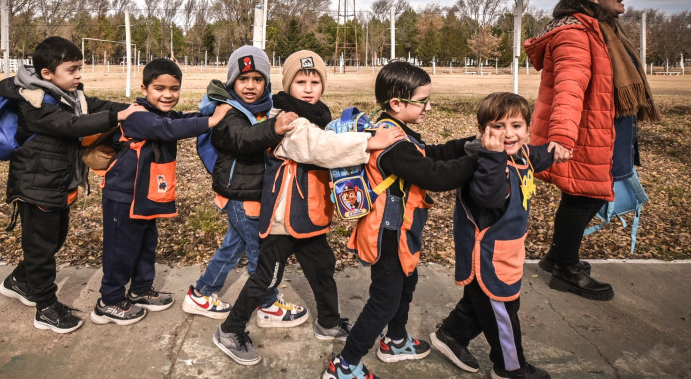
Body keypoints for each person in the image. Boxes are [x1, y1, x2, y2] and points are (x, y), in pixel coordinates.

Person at [213, 50, 405, 366]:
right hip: (284, 217)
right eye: (300, 81)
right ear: (288, 85)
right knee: (267, 277)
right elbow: (319, 148)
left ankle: (328, 322)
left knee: (322, 268)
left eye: (315, 81)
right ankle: (230, 330)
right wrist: (368, 143)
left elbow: (329, 136)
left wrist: (365, 130)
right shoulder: (287, 119)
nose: (308, 87)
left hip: (311, 213)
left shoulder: (318, 116)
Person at [323, 61, 480, 379]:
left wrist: (466, 145)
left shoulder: (398, 132)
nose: (429, 107)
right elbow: (433, 175)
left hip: (400, 231)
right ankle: (345, 365)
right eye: (423, 101)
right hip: (388, 235)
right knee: (384, 299)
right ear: (397, 103)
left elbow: (428, 153)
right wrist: (479, 159)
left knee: (407, 284)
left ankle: (395, 341)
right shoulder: (391, 142)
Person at [524, 0, 659, 301]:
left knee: (586, 195)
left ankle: (558, 257)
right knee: (585, 196)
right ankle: (565, 269)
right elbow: (569, 88)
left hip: (606, 125)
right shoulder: (575, 33)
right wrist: (563, 139)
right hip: (584, 130)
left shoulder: (601, 30)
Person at [0, 36, 144, 333]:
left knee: (53, 240)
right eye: (73, 69)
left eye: (80, 68)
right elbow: (71, 126)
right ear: (47, 74)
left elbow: (96, 106)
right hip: (36, 185)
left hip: (57, 182)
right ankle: (45, 308)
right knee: (41, 248)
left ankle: (20, 281)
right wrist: (118, 116)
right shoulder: (33, 101)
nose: (79, 75)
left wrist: (134, 107)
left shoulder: (69, 95)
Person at [91, 58, 229, 325]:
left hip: (147, 194)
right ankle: (108, 301)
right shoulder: (137, 116)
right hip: (123, 195)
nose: (168, 95)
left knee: (145, 245)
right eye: (159, 88)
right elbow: (168, 130)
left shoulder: (163, 114)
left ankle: (141, 290)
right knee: (120, 250)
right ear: (144, 89)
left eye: (174, 88)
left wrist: (212, 112)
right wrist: (211, 122)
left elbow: (181, 119)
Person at [431, 92, 558, 379]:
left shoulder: (523, 153)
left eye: (516, 126)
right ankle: (510, 367)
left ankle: (451, 334)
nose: (508, 134)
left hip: (507, 250)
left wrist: (555, 150)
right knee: (503, 311)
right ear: (482, 132)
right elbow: (489, 197)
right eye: (497, 127)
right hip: (487, 256)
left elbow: (537, 156)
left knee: (482, 302)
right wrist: (492, 156)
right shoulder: (485, 164)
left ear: (527, 128)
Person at [182, 45, 304, 323]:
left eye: (257, 79)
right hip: (240, 195)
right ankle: (268, 305)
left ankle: (201, 294)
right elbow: (243, 138)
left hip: (250, 191)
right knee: (260, 253)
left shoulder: (264, 109)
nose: (250, 86)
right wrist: (274, 128)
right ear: (232, 81)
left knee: (232, 247)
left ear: (266, 82)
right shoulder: (227, 112)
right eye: (243, 79)